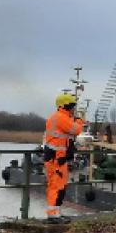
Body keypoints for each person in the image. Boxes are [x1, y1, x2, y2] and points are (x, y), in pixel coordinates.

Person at [42, 92, 84, 224]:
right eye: (72, 106)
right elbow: (76, 130)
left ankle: (56, 213)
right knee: (56, 186)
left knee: (59, 186)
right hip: (56, 159)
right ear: (66, 106)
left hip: (58, 158)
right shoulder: (60, 118)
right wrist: (79, 121)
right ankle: (53, 215)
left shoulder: (59, 117)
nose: (74, 109)